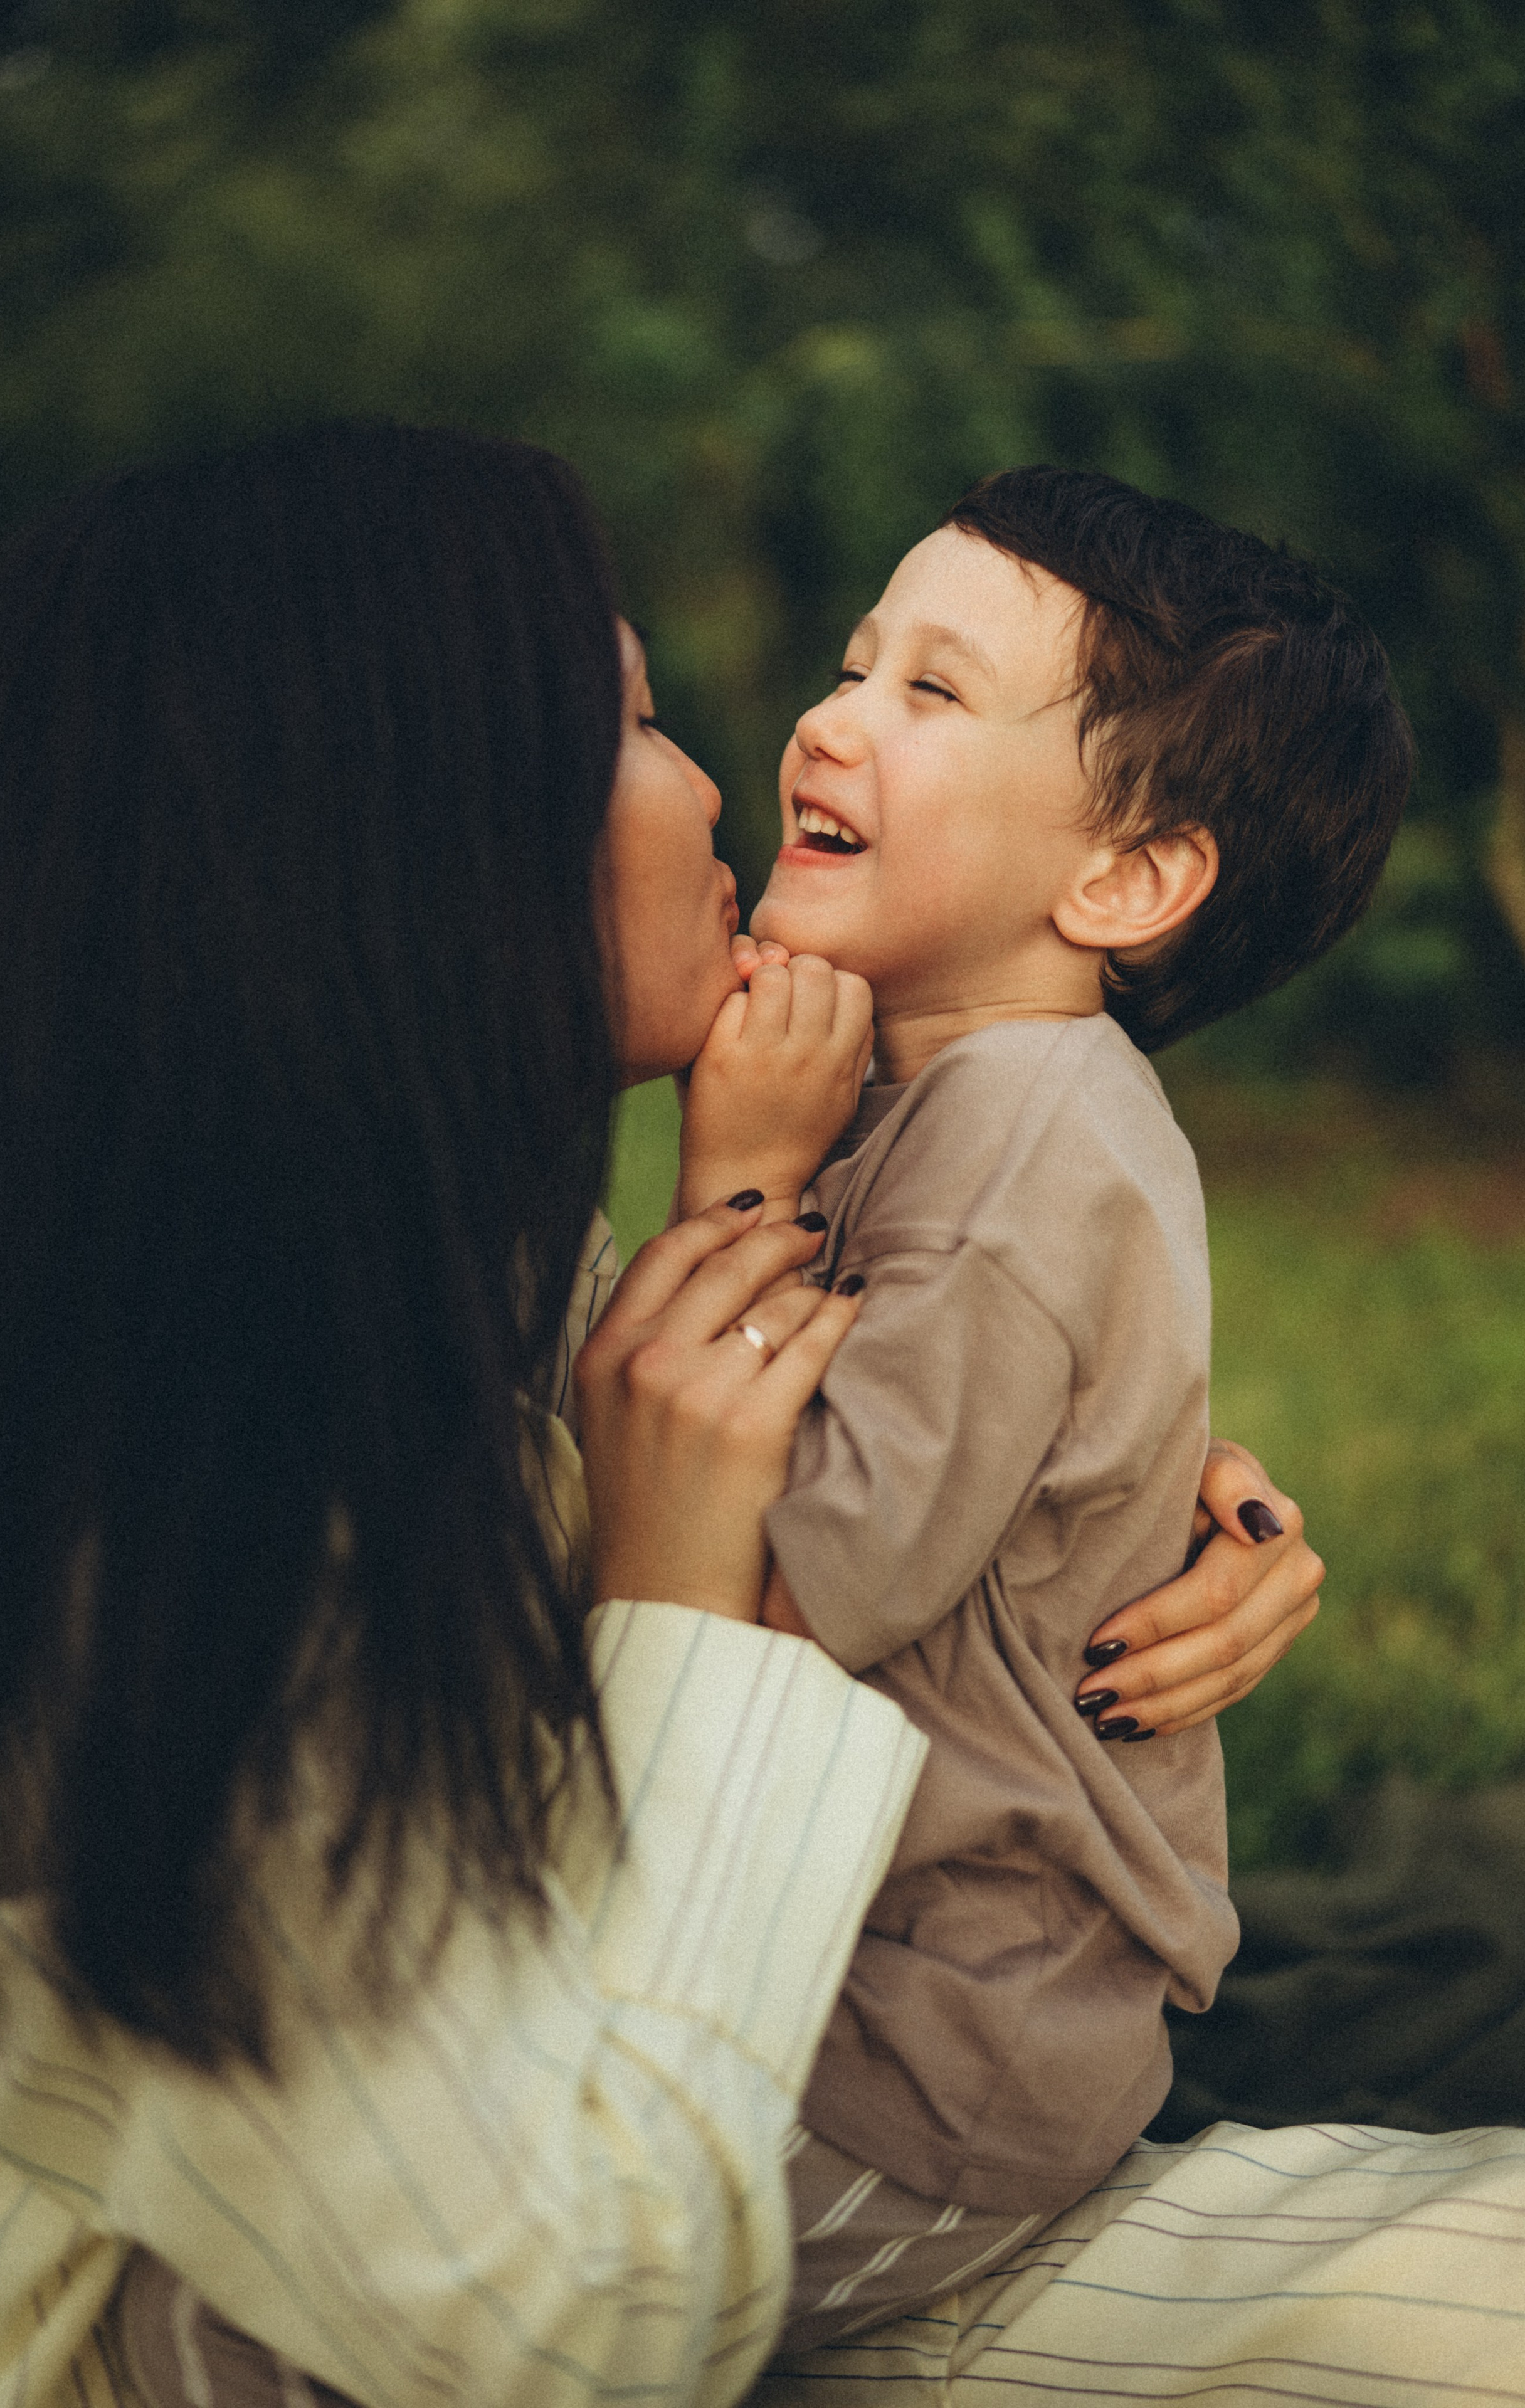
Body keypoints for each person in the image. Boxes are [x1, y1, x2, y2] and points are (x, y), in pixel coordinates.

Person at [0, 423, 1322, 2408]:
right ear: (409, 833)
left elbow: (861, 1421)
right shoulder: (186, 1535)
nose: (763, 755)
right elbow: (582, 2311)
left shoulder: (431, 1261)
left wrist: (1145, 1503)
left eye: (924, 689)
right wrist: (677, 1565)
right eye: (636, 723)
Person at [674, 466, 1413, 2353]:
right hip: (858, 1984)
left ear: (1129, 877)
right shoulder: (943, 1100)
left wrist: (737, 1190)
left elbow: (751, 1616)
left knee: (519, 2295)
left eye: (932, 691)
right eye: (855, 665)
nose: (828, 720)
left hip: (918, 2063)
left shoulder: (1021, 1148)